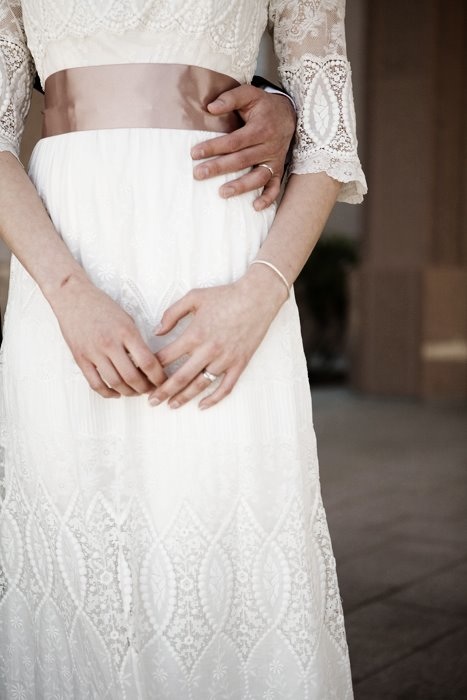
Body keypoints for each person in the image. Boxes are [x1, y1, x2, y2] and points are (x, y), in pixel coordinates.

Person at [0, 1, 367, 699]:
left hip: (227, 269)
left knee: (221, 529)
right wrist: (69, 292)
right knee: (77, 535)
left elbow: (329, 137)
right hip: (61, 281)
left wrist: (260, 292)